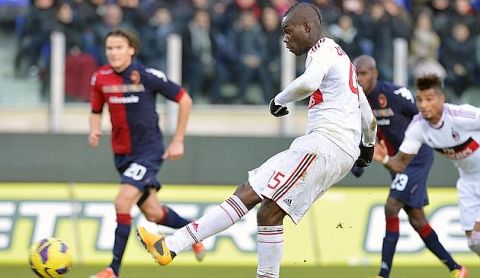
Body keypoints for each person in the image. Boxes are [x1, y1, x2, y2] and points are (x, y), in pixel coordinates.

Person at [136, 3, 377, 277]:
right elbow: (366, 113)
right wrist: (367, 147)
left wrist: (279, 99)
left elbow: (309, 83)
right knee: (269, 213)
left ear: (308, 27)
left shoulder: (320, 50)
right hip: (337, 150)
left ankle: (173, 245)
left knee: (249, 191)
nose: (285, 38)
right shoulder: (341, 57)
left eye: (289, 31)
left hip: (324, 144)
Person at [88, 29, 204, 278]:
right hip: (122, 155)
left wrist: (178, 140)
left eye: (119, 47)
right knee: (154, 214)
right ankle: (193, 231)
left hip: (147, 152)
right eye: (109, 48)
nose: (113, 52)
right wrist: (94, 130)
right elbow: (96, 108)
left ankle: (113, 269)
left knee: (122, 202)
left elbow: (185, 99)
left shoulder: (147, 76)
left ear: (131, 49)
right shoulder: (100, 78)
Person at [351, 56, 467, 278]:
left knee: (391, 206)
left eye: (363, 74)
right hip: (396, 162)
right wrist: (360, 165)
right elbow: (366, 134)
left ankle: (383, 274)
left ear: (374, 73)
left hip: (417, 158)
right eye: (355, 74)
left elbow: (423, 117)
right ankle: (456, 269)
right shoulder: (357, 102)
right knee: (416, 219)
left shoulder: (395, 95)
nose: (359, 79)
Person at [373, 74, 478, 277]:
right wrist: (385, 160)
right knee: (474, 242)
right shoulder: (417, 127)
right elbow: (400, 164)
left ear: (441, 99)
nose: (423, 105)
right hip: (467, 180)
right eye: (420, 99)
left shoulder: (461, 116)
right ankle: (458, 270)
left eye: (429, 99)